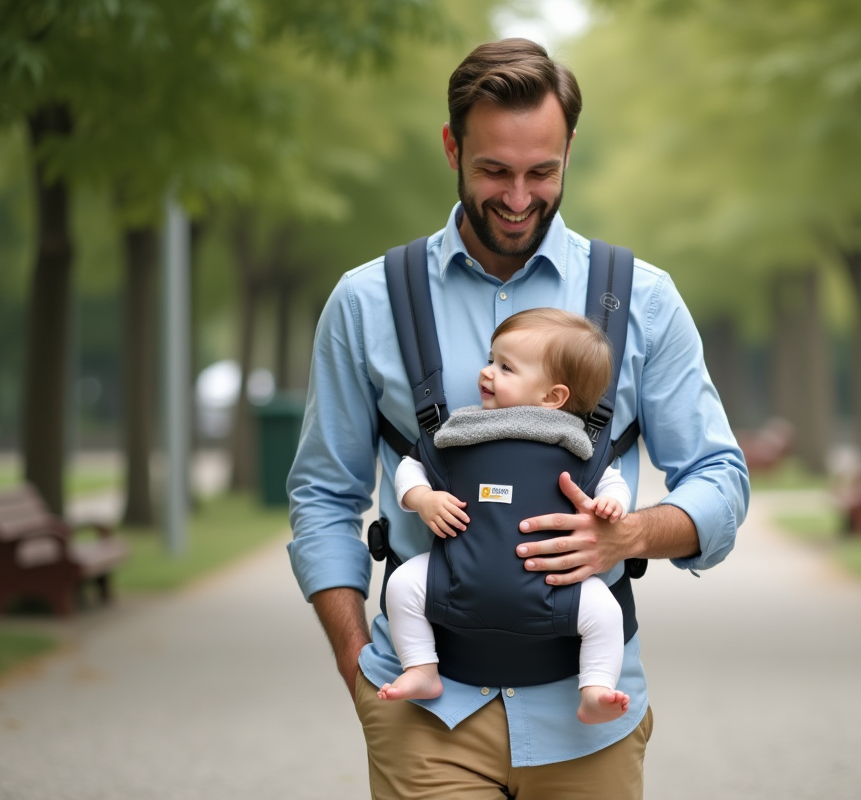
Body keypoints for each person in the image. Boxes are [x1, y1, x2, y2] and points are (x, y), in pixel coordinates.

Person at [287, 37, 748, 799]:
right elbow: (322, 496)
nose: (518, 197)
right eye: (493, 170)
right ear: (451, 147)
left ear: (570, 147)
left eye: (543, 171)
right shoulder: (366, 302)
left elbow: (721, 479)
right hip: (424, 717)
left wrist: (631, 533)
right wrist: (353, 663)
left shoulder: (645, 300)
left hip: (588, 715)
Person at [379, 308, 634, 726]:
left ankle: (595, 689)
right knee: (403, 585)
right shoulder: (465, 433)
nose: (486, 373)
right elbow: (412, 466)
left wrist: (612, 505)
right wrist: (422, 498)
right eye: (490, 359)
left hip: (554, 588)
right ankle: (422, 669)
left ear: (553, 398)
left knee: (605, 611)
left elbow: (610, 480)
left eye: (505, 367)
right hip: (453, 573)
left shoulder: (570, 445)